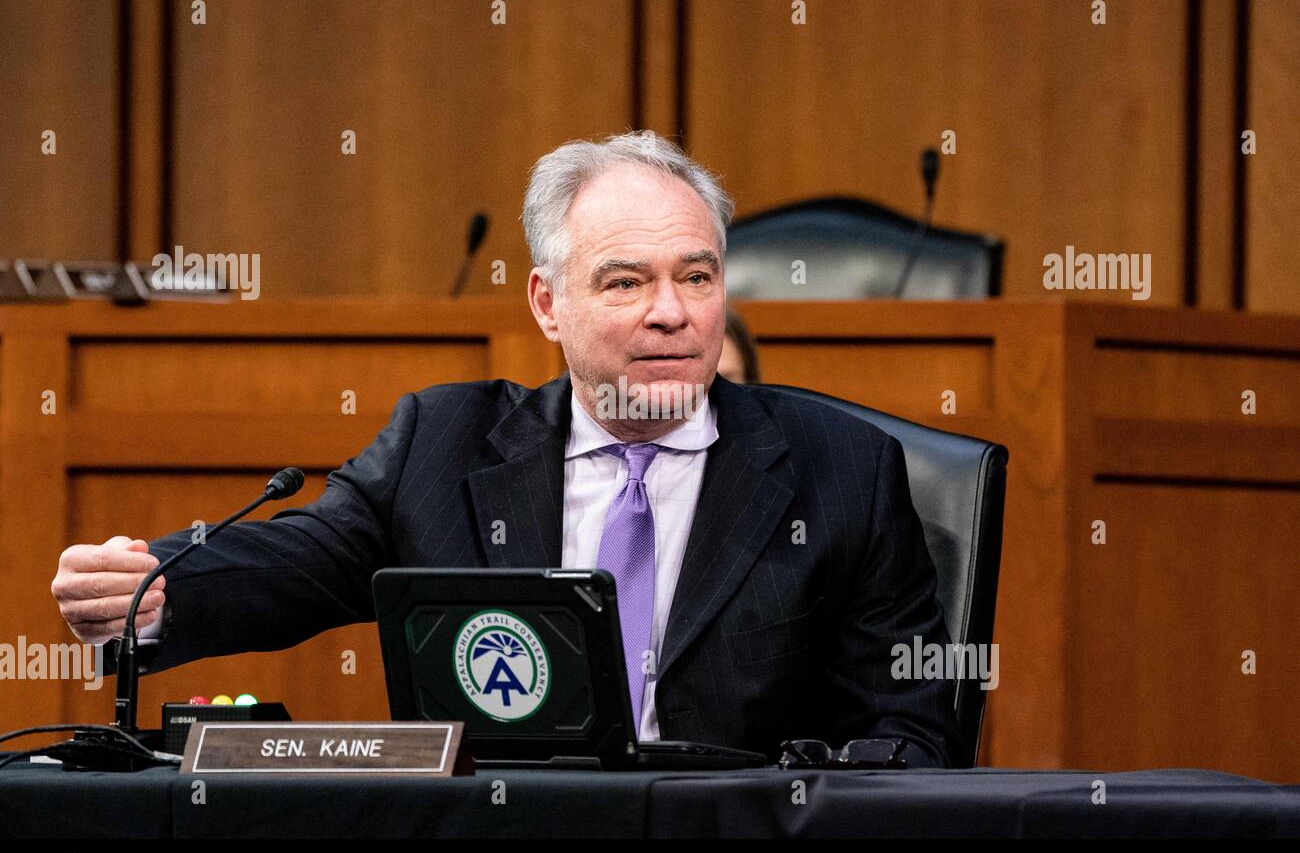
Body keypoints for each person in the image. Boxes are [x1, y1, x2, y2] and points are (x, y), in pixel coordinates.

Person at [51, 130, 960, 765]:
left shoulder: (841, 470)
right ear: (545, 303)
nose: (672, 312)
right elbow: (299, 561)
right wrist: (158, 587)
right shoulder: (443, 447)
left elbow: (906, 734)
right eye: (624, 281)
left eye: (697, 275)